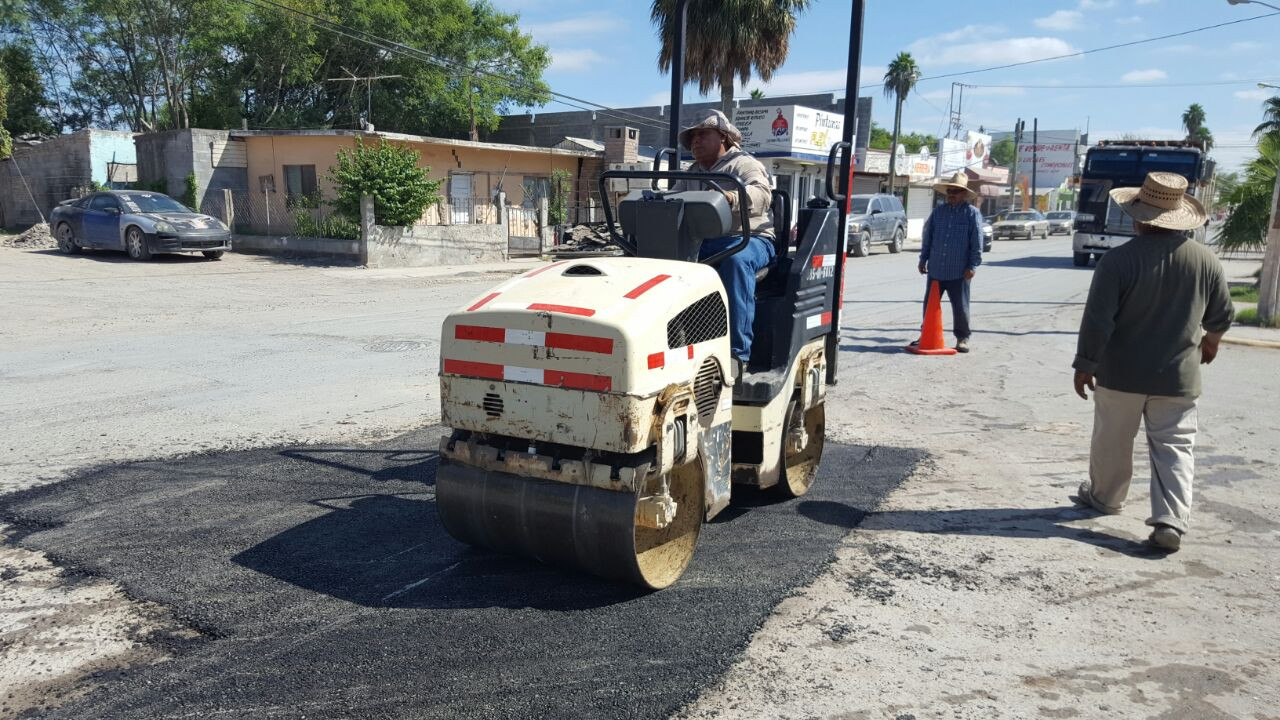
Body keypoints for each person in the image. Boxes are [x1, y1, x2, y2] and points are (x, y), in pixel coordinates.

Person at [1070, 171, 1234, 552]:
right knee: (1174, 447)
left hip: (1120, 375)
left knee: (1112, 440)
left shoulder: (1117, 262)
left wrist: (1085, 364)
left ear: (1138, 216)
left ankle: (1106, 499)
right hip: (1178, 379)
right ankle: (1170, 520)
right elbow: (1221, 317)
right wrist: (1211, 342)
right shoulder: (1204, 261)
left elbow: (1098, 321)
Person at [670, 109, 776, 374]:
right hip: (704, 241)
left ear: (724, 138)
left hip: (748, 239)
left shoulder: (744, 164)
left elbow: (762, 195)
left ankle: (737, 355)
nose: (695, 140)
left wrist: (732, 197)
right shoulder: (691, 173)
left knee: (735, 262)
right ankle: (674, 342)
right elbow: (671, 201)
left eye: (703, 134)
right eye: (692, 136)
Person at [916, 171, 983, 352]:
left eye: (956, 191)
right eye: (950, 190)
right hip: (936, 268)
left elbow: (977, 242)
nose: (952, 194)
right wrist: (923, 259)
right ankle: (926, 333)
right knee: (930, 305)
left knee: (960, 306)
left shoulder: (971, 214)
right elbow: (928, 237)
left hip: (959, 271)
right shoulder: (938, 212)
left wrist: (973, 265)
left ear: (963, 194)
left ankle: (962, 338)